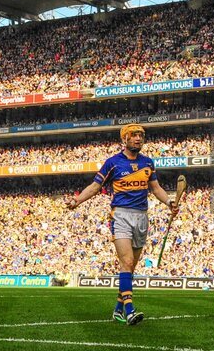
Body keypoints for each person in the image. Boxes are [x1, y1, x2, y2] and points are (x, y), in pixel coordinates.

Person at [67, 124, 178, 326]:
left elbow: (156, 188)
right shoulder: (113, 163)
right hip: (121, 216)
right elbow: (94, 186)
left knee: (131, 267)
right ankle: (129, 310)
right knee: (126, 262)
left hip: (142, 216)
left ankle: (118, 310)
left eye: (141, 136)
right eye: (134, 135)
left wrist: (169, 202)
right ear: (124, 139)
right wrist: (76, 201)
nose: (138, 139)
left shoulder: (148, 163)